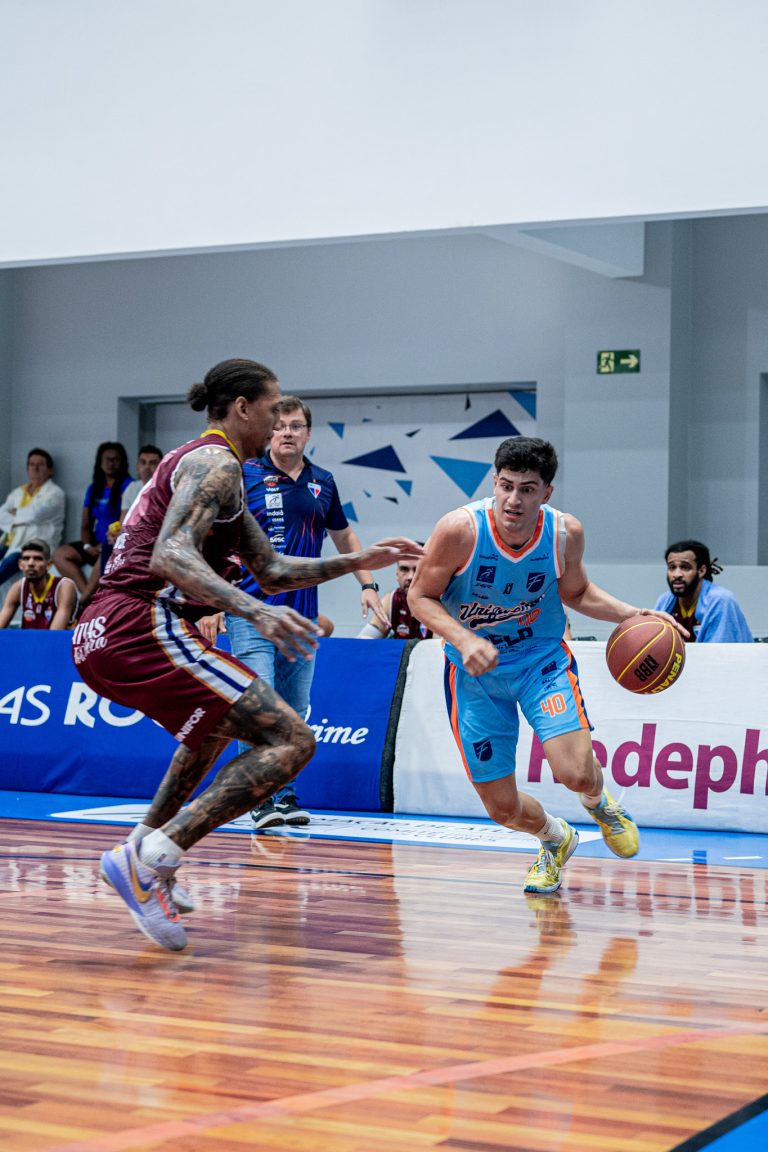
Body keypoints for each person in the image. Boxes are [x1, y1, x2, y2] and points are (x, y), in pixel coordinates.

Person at [77, 358, 422, 951]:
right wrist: (255, 611)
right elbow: (169, 556)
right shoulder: (213, 461)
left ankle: (143, 846)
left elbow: (274, 569)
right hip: (137, 623)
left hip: (108, 631)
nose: (278, 419)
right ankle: (155, 856)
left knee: (208, 733)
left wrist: (358, 563)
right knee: (292, 740)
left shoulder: (225, 471)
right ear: (242, 407)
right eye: (272, 407)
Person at [407, 436, 684, 897]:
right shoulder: (459, 530)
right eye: (506, 485)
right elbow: (419, 597)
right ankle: (555, 840)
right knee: (500, 808)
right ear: (494, 482)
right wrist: (463, 636)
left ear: (546, 493)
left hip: (541, 661)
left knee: (575, 772)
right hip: (474, 673)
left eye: (527, 489)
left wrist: (635, 615)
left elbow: (576, 593)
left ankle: (599, 803)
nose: (514, 499)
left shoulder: (563, 533)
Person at [224, 395, 393, 832]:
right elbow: (216, 537)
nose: (286, 433)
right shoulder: (246, 475)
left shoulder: (324, 482)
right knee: (258, 707)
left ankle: (283, 793)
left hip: (302, 619)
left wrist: (369, 585)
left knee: (294, 712)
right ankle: (259, 799)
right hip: (252, 613)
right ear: (268, 432)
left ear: (307, 433)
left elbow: (344, 536)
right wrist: (210, 601)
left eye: (295, 426)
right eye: (279, 426)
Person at [54, 442, 133, 603]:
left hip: (113, 544)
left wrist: (105, 545)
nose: (111, 463)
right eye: (107, 459)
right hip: (94, 544)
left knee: (106, 551)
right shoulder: (94, 488)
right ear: (99, 462)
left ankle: (84, 601)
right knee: (60, 554)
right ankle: (88, 597)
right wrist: (87, 546)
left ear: (123, 462)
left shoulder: (129, 485)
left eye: (116, 459)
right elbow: (85, 525)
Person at [655, 539, 753, 642]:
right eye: (672, 567)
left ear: (701, 571)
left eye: (685, 567)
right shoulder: (664, 601)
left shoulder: (721, 600)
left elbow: (719, 653)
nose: (677, 574)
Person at [0, 449, 65, 587]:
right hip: (10, 543)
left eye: (40, 464)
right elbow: (1, 515)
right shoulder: (19, 492)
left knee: (5, 567)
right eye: (31, 464)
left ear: (50, 470)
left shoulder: (55, 493)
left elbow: (35, 514)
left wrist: (14, 514)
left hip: (36, 545)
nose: (35, 468)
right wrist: (22, 517)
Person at [0, 538, 78, 629]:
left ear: (48, 565)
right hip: (30, 641)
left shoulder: (64, 587)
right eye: (26, 558)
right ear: (20, 564)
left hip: (60, 642)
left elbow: (53, 636)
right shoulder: (18, 587)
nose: (30, 563)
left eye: (38, 558)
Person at [357, 558, 432, 639]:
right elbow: (364, 639)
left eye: (417, 570)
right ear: (397, 574)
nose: (410, 577)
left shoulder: (440, 601)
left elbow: (440, 645)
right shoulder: (391, 600)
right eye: (404, 569)